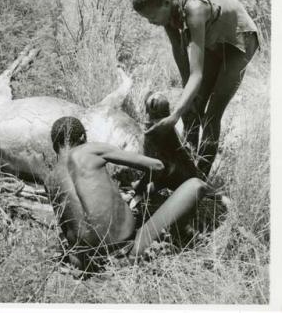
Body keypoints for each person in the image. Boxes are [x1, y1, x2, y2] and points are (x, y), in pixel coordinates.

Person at [46, 116, 213, 272]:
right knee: (196, 185)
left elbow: (68, 230)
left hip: (88, 264)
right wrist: (144, 186)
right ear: (82, 137)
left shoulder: (50, 180)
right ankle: (180, 235)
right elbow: (157, 166)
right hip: (128, 252)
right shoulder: (90, 149)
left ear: (55, 146)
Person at [132, 0, 259, 177]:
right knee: (193, 107)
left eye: (151, 16)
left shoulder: (194, 9)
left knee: (211, 115)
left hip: (239, 42)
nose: (150, 22)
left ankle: (198, 179)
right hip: (213, 40)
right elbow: (184, 65)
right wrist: (187, 105)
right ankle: (186, 167)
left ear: (166, 3)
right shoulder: (168, 16)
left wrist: (173, 117)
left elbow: (197, 75)